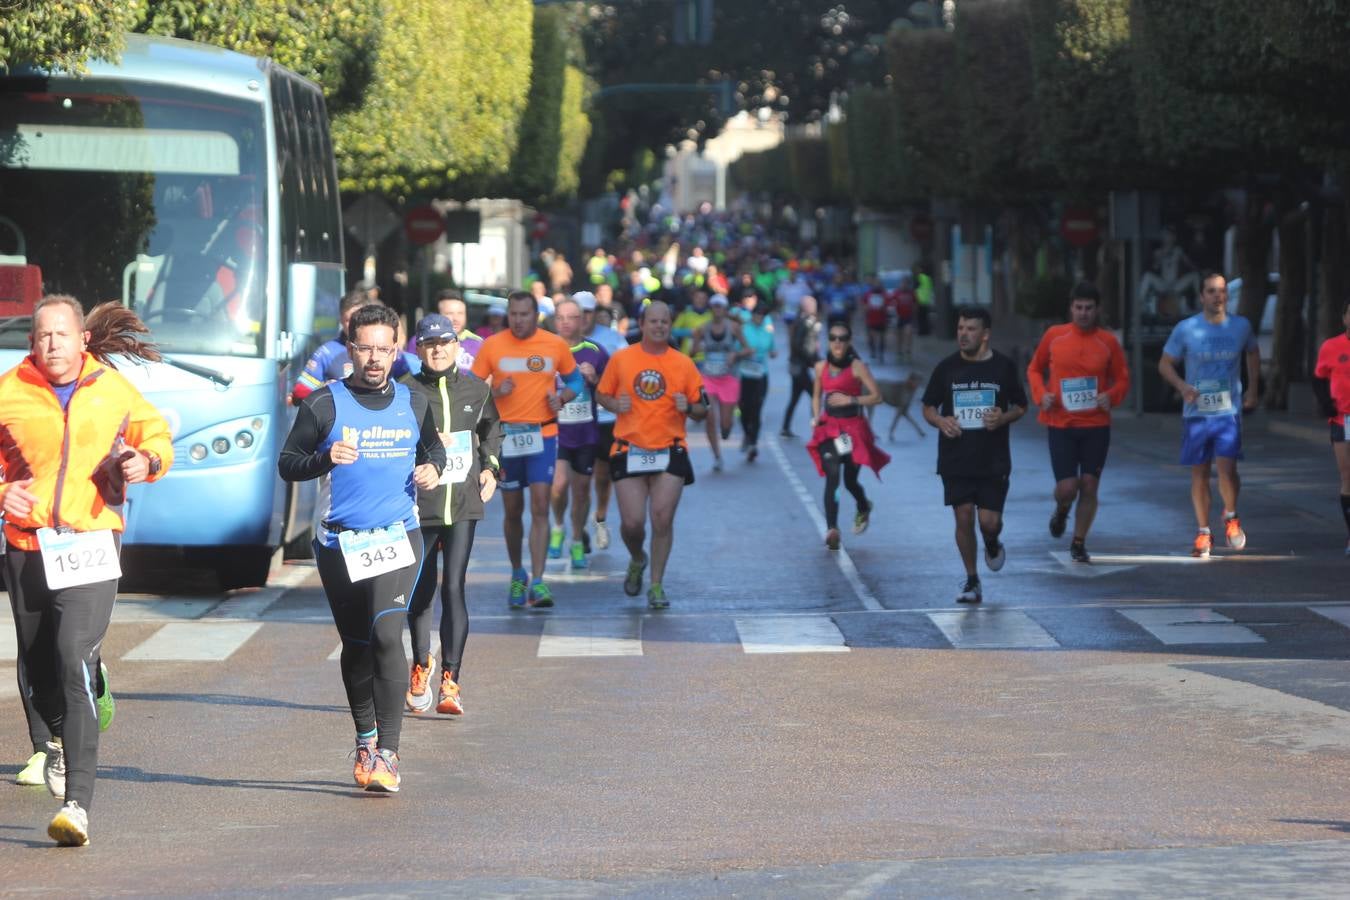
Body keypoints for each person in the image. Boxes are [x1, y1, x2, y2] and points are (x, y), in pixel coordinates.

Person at [1, 296, 174, 846]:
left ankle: (78, 805)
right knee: (37, 661)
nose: (51, 344)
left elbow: (157, 439)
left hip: (92, 543)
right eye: (42, 335)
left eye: (61, 335)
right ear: (33, 342)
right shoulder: (9, 392)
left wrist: (146, 463)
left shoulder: (114, 392)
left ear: (82, 340)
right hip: (27, 547)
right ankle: (54, 737)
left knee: (72, 651)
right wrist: (4, 493)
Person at [279, 303, 445, 793]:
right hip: (339, 542)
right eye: (365, 348)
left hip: (398, 535)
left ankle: (389, 755)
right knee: (356, 646)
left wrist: (433, 467)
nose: (375, 358)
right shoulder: (324, 404)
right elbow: (289, 464)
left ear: (398, 350)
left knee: (389, 636)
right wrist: (325, 456)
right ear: (349, 349)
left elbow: (432, 447)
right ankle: (366, 739)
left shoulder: (414, 401)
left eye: (384, 349)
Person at [399, 314, 502, 717]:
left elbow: (492, 429)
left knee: (454, 587)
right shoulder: (405, 391)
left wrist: (491, 467)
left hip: (461, 504)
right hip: (419, 506)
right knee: (420, 591)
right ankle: (422, 666)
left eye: (445, 342)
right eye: (429, 344)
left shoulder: (476, 389)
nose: (438, 349)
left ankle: (451, 681)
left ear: (458, 346)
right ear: (419, 350)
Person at [471, 291, 583, 607]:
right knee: (512, 511)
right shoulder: (492, 345)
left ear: (536, 315)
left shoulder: (555, 345)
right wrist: (494, 389)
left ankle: (539, 581)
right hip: (505, 438)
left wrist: (562, 398)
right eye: (514, 314)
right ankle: (518, 573)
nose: (518, 320)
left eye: (524, 314)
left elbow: (576, 383)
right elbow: (469, 387)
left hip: (542, 436)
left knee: (540, 505)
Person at [596, 301, 707, 609]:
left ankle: (656, 585)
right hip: (629, 448)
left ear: (670, 325)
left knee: (662, 518)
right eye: (654, 321)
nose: (660, 326)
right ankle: (637, 558)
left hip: (670, 449)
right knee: (632, 524)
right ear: (642, 325)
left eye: (665, 322)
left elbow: (702, 408)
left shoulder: (684, 363)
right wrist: (613, 405)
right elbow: (601, 393)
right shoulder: (622, 360)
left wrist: (691, 408)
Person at [921, 306, 1027, 604]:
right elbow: (928, 406)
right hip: (956, 458)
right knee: (963, 515)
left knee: (989, 523)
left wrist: (1002, 418)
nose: (963, 334)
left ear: (985, 334)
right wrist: (941, 421)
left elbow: (1021, 406)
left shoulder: (1003, 367)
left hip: (993, 459)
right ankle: (971, 580)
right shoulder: (946, 368)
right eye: (960, 328)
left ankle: (991, 543)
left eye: (970, 329)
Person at [1026, 283, 1130, 563]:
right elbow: (1034, 368)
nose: (1083, 313)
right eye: (1078, 307)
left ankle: (1078, 541)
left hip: (1096, 425)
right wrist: (1041, 395)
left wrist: (1112, 396)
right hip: (1061, 424)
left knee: (1090, 485)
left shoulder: (1107, 342)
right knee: (1067, 488)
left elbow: (1122, 378)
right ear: (1071, 308)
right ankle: (1061, 511)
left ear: (1097, 310)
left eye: (1089, 308)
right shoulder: (1055, 336)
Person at [1158, 272, 1259, 557]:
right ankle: (1203, 532)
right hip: (1196, 413)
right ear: (1202, 296)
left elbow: (1252, 353)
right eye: (1211, 291)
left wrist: (1252, 390)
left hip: (1228, 411)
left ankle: (1231, 515)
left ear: (1227, 295)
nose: (1217, 296)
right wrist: (1181, 386)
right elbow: (1165, 364)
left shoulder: (1241, 326)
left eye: (1222, 291)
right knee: (1200, 473)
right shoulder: (1186, 328)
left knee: (1228, 470)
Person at [806, 323, 890, 550]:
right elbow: (816, 395)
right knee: (832, 473)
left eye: (842, 339)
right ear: (828, 341)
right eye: (833, 338)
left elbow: (877, 397)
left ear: (849, 341)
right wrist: (815, 417)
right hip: (828, 429)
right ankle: (832, 528)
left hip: (852, 431)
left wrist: (851, 400)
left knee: (850, 480)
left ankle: (863, 506)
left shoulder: (857, 367)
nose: (837, 343)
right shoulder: (820, 367)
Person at [547, 297, 609, 569]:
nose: (566, 323)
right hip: (555, 430)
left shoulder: (596, 351)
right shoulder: (544, 349)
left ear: (582, 320)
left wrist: (595, 379)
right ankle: (558, 526)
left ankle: (575, 540)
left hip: (585, 431)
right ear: (554, 320)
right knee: (559, 486)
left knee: (582, 491)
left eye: (572, 317)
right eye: (560, 318)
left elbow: (611, 391)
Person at [585, 301, 628, 547]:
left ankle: (600, 518)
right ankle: (579, 527)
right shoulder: (571, 340)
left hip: (607, 418)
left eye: (600, 316)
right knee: (576, 479)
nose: (597, 321)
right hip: (577, 418)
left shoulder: (616, 341)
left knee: (602, 475)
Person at [690, 294, 749, 471]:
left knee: (725, 423)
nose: (717, 310)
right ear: (711, 309)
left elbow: (747, 349)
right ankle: (717, 456)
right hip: (708, 379)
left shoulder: (734, 328)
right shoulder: (702, 328)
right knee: (708, 416)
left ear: (725, 309)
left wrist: (735, 355)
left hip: (729, 379)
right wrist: (695, 342)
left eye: (720, 306)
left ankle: (726, 429)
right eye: (714, 306)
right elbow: (692, 352)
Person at [1313, 298, 1350, 557]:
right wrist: (1326, 403)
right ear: (1345, 318)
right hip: (1342, 420)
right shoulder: (1331, 346)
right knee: (1348, 478)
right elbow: (1319, 378)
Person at [292, 289, 371, 403]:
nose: (354, 324)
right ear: (341, 321)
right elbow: (300, 392)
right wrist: (325, 389)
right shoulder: (327, 352)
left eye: (359, 318)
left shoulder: (381, 349)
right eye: (348, 320)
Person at [738, 302, 777, 462]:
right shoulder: (743, 329)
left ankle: (753, 444)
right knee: (744, 409)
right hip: (744, 374)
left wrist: (773, 352)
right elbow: (734, 350)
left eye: (763, 315)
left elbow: (772, 349)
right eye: (758, 315)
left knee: (757, 409)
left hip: (761, 374)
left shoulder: (767, 331)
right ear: (752, 315)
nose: (760, 318)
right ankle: (747, 434)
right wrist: (745, 352)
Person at [781, 295, 822, 438]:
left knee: (795, 397)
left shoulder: (803, 321)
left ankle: (785, 427)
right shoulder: (804, 322)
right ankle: (816, 426)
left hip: (799, 366)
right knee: (815, 395)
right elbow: (801, 345)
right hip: (800, 366)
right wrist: (813, 360)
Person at [434, 289, 484, 370]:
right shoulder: (423, 343)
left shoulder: (479, 344)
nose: (456, 318)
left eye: (460, 313)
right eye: (449, 313)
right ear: (437, 315)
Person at [862, 278, 890, 363]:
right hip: (871, 319)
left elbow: (888, 305)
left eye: (878, 283)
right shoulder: (868, 294)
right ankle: (873, 351)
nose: (877, 285)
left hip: (882, 319)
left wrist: (884, 308)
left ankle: (881, 353)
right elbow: (863, 304)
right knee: (872, 336)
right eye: (875, 283)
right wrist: (865, 310)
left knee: (882, 337)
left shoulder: (884, 294)